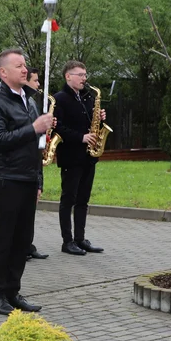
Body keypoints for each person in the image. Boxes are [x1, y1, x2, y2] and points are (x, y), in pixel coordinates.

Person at [0, 48, 56, 315]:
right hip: (5, 179)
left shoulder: (30, 100)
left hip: (26, 178)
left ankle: (13, 291)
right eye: (19, 66)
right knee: (3, 239)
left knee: (23, 240)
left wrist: (37, 181)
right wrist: (34, 128)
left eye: (25, 65)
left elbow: (35, 148)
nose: (25, 70)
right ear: (3, 72)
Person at [53, 60, 106, 256]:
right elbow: (57, 127)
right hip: (71, 156)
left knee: (83, 199)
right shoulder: (59, 99)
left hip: (88, 157)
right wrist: (81, 137)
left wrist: (101, 117)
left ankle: (80, 238)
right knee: (69, 199)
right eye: (80, 75)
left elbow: (91, 123)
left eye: (85, 75)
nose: (84, 78)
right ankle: (67, 241)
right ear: (68, 76)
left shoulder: (86, 97)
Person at [21, 68, 49, 261]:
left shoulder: (30, 101)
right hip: (24, 162)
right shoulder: (26, 102)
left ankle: (28, 244)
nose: (38, 84)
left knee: (31, 209)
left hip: (34, 157)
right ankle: (23, 246)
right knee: (24, 211)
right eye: (36, 81)